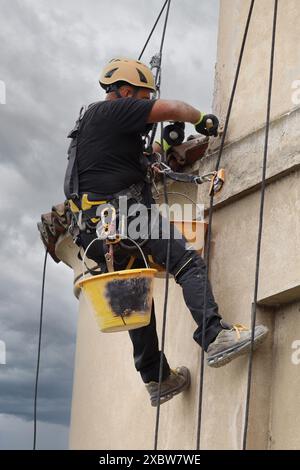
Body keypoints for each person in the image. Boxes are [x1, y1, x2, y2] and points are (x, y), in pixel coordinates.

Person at [65, 58, 268, 407]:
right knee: (186, 261)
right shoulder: (112, 111)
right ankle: (214, 335)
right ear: (126, 92)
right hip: (125, 215)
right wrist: (201, 120)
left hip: (94, 232)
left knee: (133, 297)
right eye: (143, 97)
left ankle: (156, 379)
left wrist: (163, 148)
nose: (145, 104)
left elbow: (140, 159)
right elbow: (175, 107)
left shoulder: (92, 129)